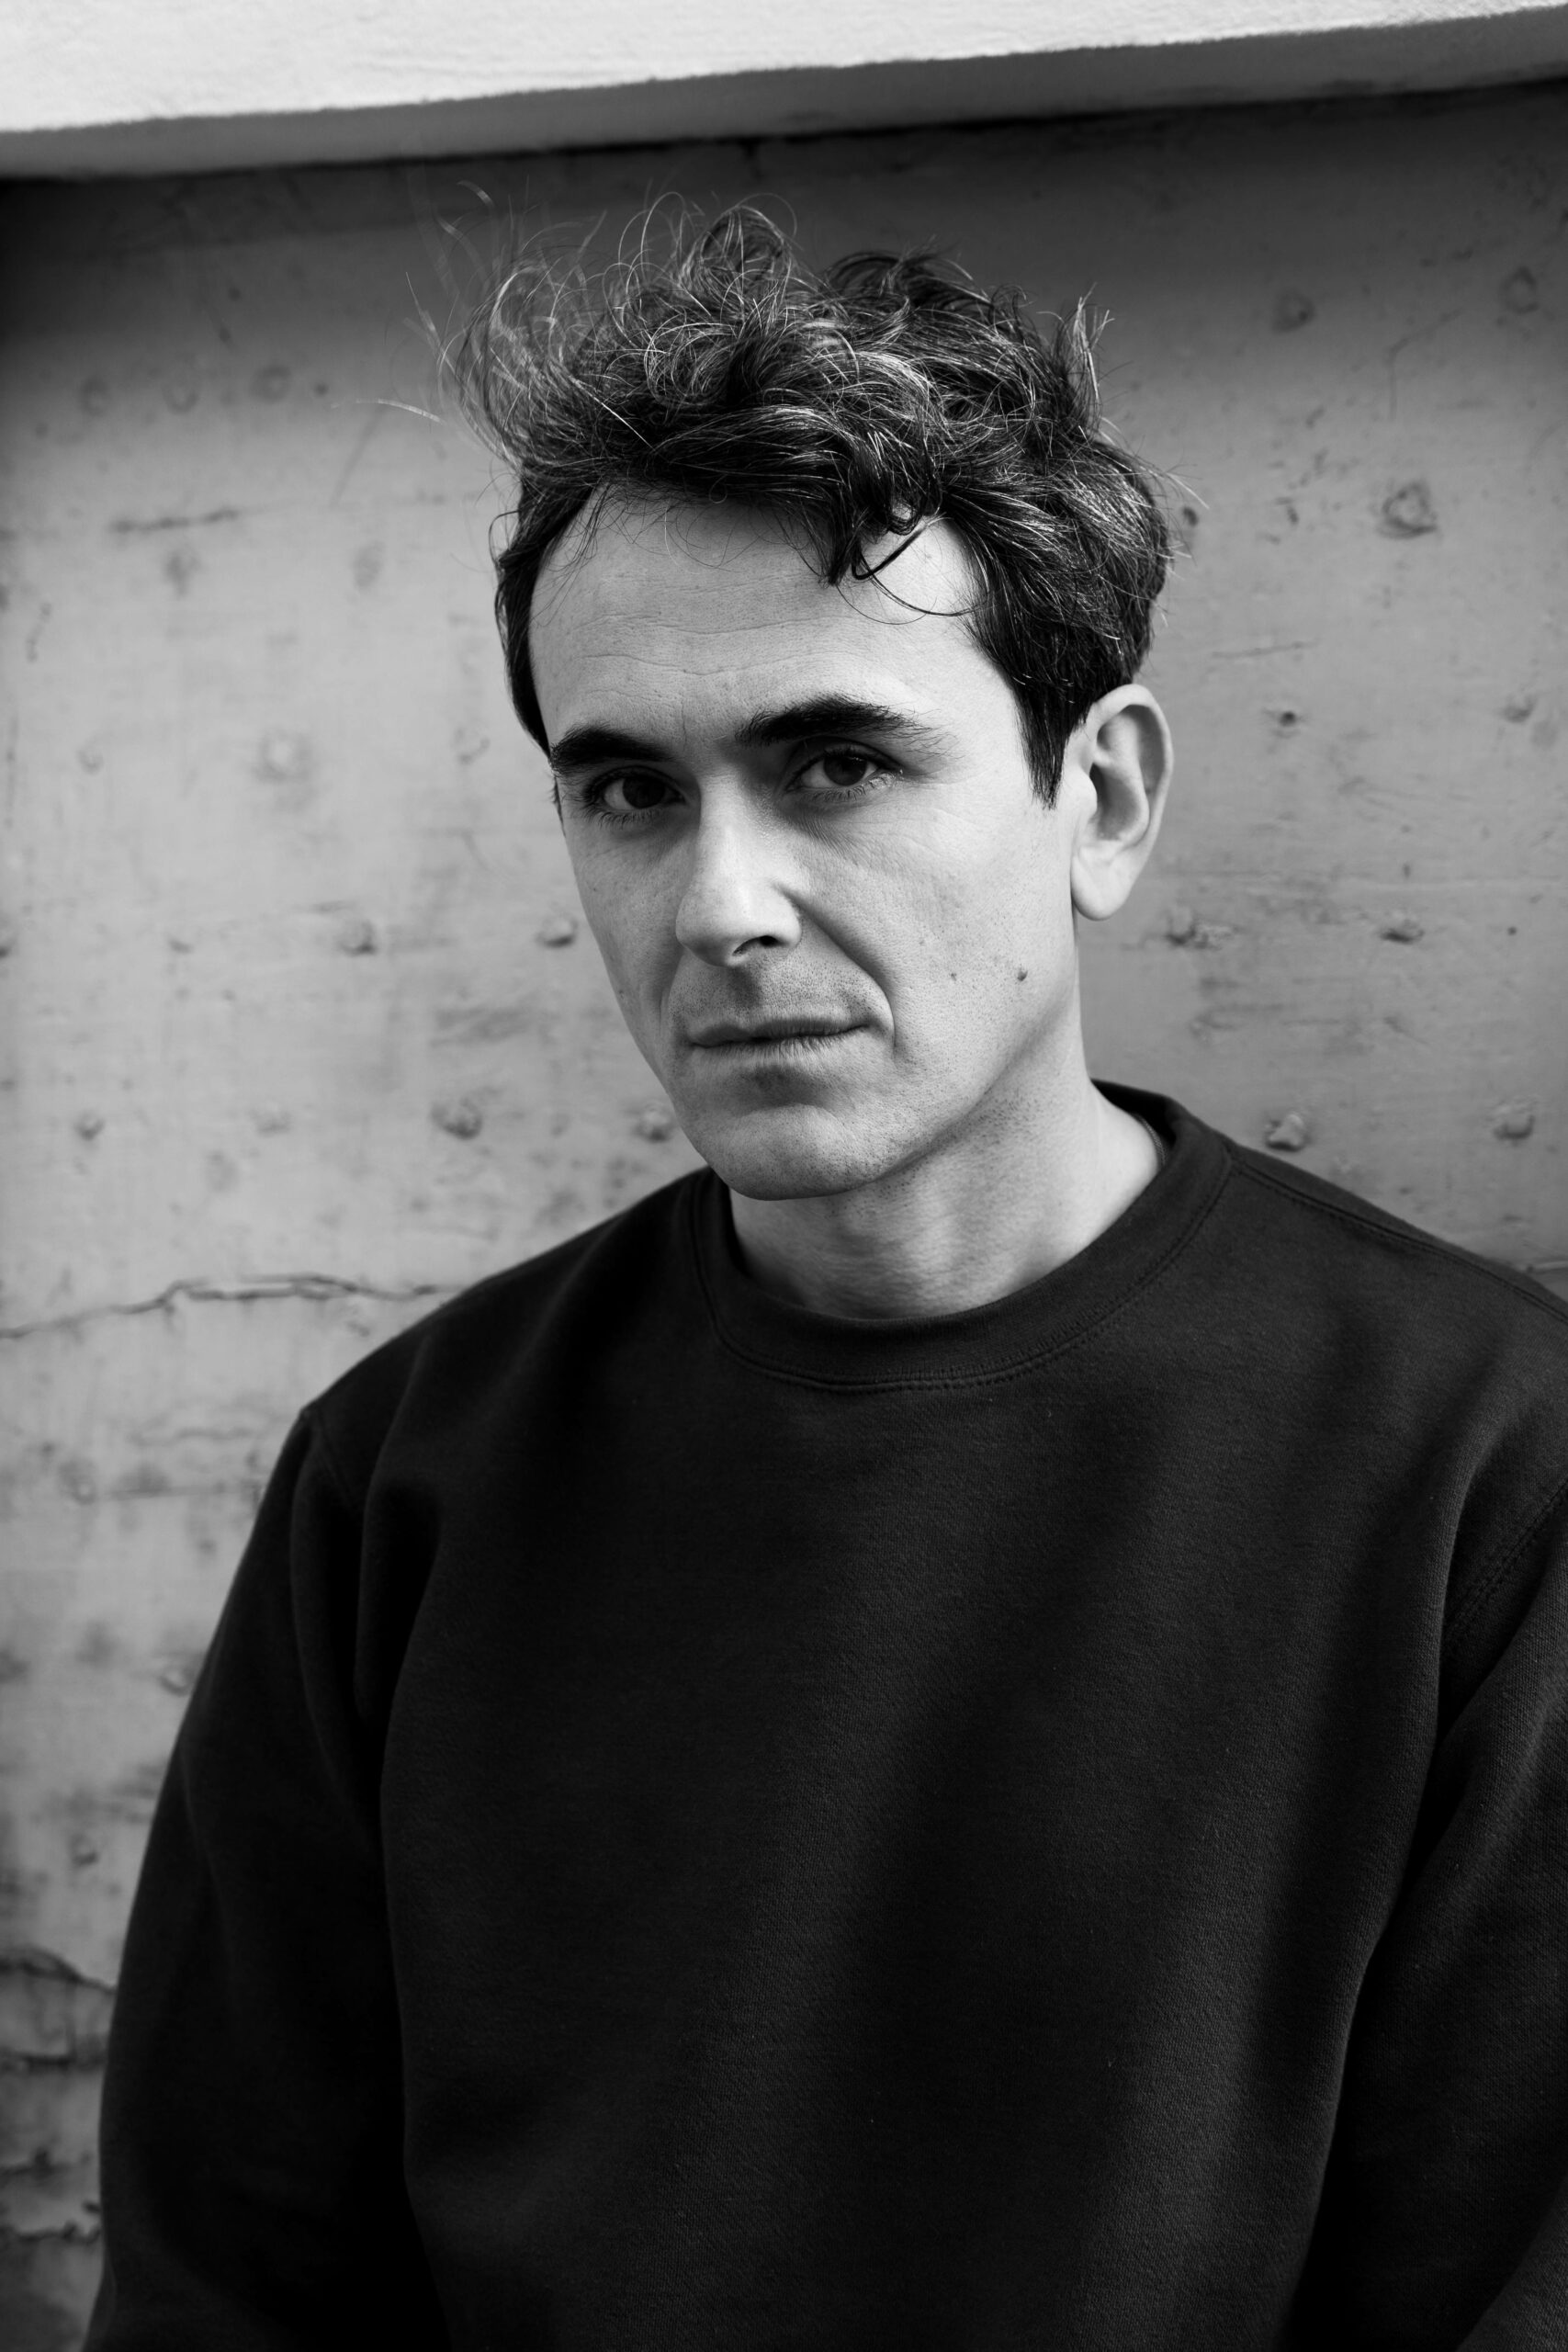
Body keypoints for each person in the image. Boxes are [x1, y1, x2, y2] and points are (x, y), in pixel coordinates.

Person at [87, 209, 1568, 2350]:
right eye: (626, 788)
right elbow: (227, 2287)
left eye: (835, 762)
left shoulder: (1484, 1472)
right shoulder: (404, 1475)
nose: (722, 904)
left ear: (1100, 797)